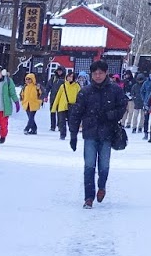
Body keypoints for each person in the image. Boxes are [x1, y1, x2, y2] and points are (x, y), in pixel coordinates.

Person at [67, 59, 126, 208]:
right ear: (91, 74)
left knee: (104, 165)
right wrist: (73, 134)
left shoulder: (115, 90)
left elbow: (122, 106)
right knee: (89, 165)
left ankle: (101, 186)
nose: (98, 76)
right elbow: (76, 113)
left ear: (106, 73)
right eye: (95, 73)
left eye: (101, 73)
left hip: (107, 134)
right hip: (90, 133)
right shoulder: (85, 92)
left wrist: (111, 115)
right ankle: (88, 197)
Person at [50, 69, 81, 139]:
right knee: (61, 121)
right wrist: (54, 108)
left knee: (71, 122)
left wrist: (80, 106)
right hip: (62, 106)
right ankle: (62, 135)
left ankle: (73, 134)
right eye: (68, 76)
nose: (69, 78)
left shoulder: (77, 86)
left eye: (71, 76)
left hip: (72, 107)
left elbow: (80, 97)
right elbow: (58, 97)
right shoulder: (63, 86)